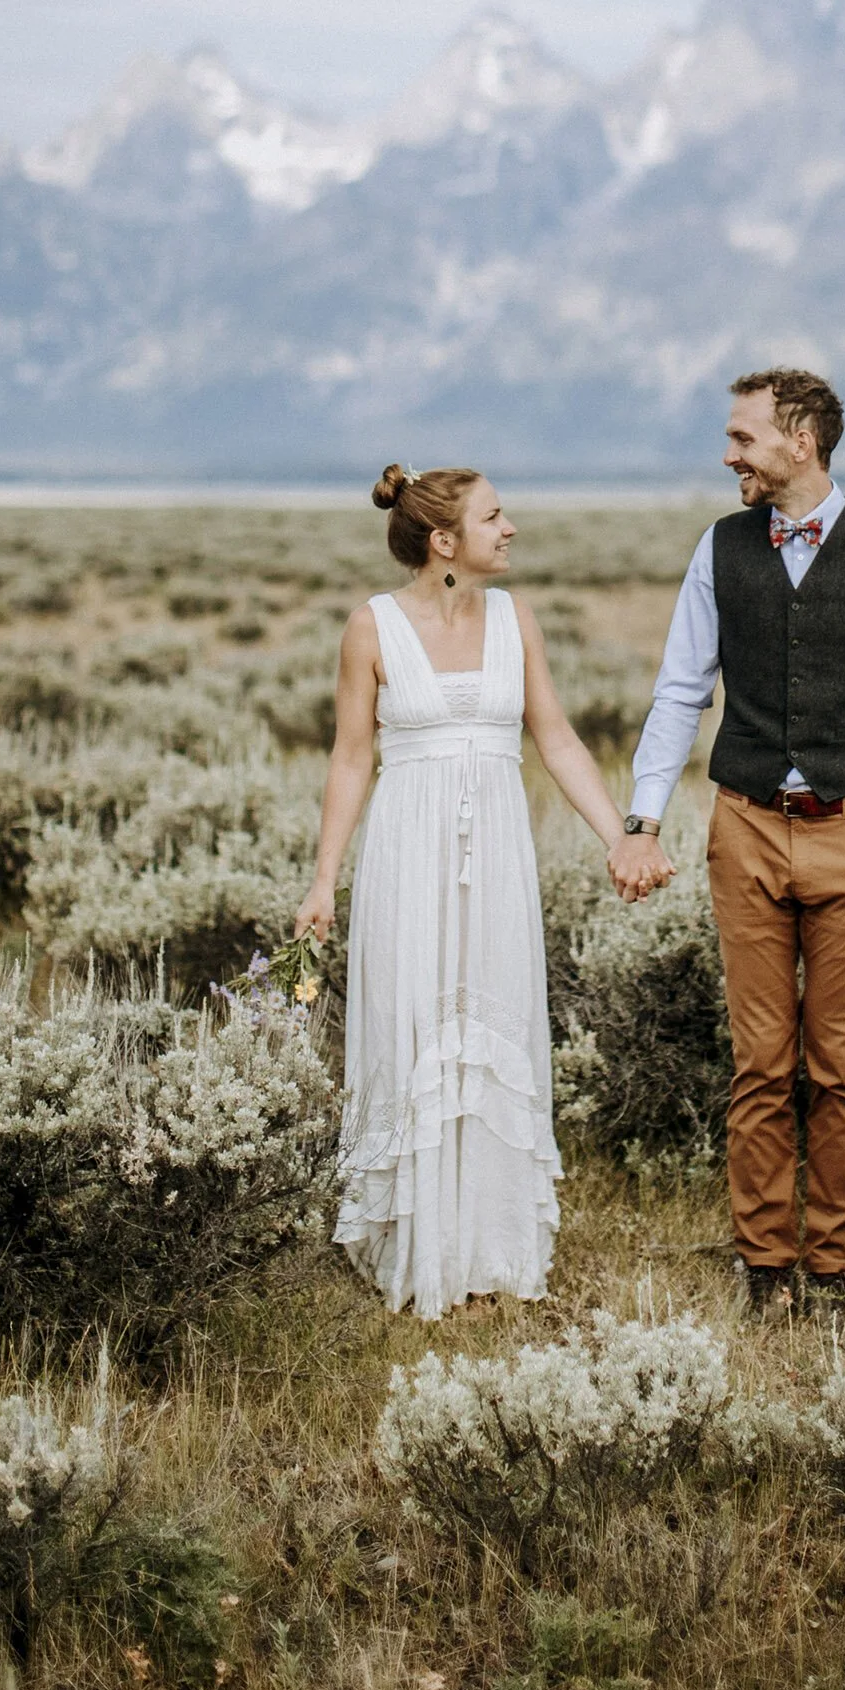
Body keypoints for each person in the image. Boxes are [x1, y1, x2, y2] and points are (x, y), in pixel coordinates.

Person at [608, 369, 845, 1313]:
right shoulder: (721, 548)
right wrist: (644, 818)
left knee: (841, 1066)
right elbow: (681, 690)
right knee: (760, 1062)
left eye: (743, 438)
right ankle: (764, 1267)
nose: (729, 456)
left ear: (801, 442)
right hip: (747, 830)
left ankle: (835, 1269)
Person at [295, 463, 644, 1320]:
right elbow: (351, 759)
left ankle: (488, 1255)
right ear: (443, 542)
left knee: (490, 1024)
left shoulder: (512, 619)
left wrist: (621, 836)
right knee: (413, 1030)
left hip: (496, 860)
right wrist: (323, 881)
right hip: (405, 862)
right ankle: (415, 1254)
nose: (511, 528)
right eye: (495, 517)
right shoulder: (370, 628)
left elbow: (555, 739)